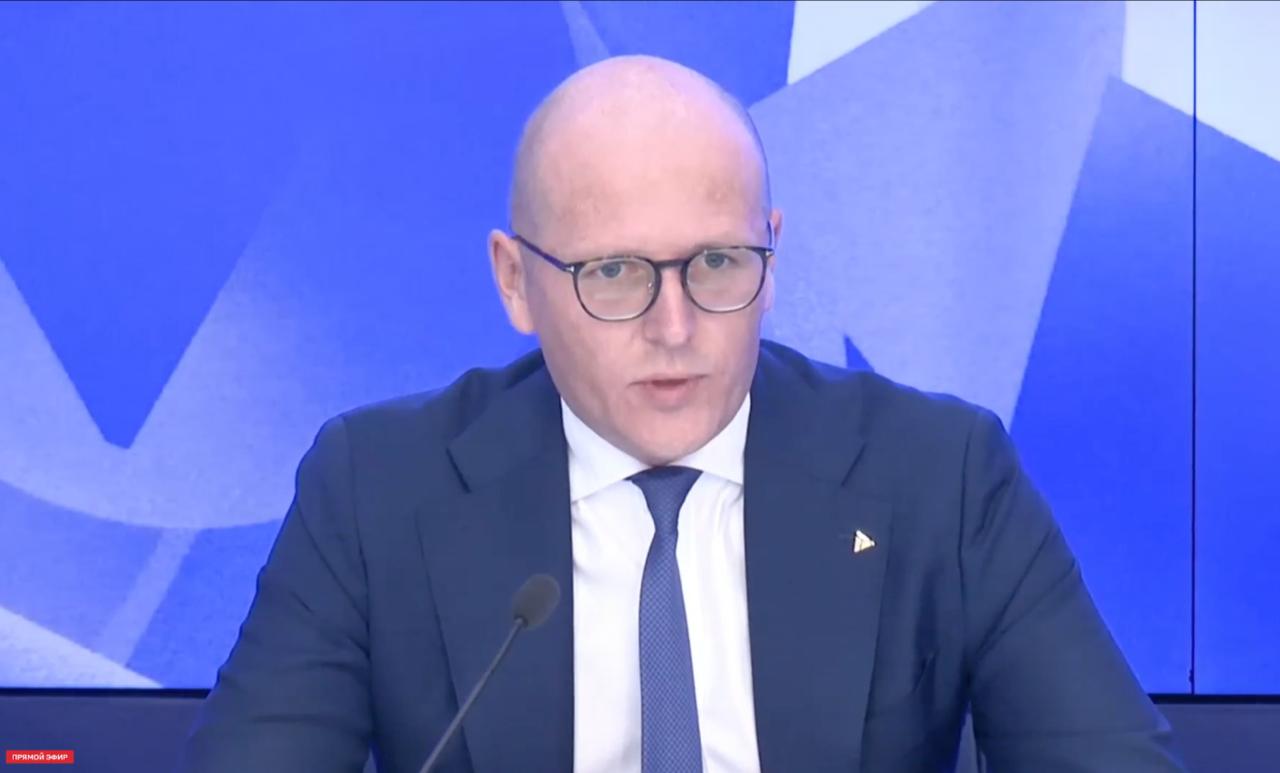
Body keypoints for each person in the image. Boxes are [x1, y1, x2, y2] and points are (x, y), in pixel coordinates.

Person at [183, 55, 1186, 773]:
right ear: (514, 280)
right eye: (614, 273)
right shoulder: (375, 489)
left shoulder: (940, 473)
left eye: (715, 262)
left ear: (771, 254)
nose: (674, 327)